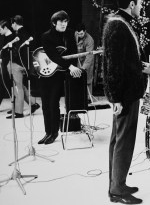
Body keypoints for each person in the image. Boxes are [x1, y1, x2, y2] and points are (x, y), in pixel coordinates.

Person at [102, 0, 146, 204]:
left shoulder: (120, 23)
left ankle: (116, 184)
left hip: (125, 92)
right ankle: (118, 189)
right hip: (125, 94)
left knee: (118, 139)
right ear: (131, 4)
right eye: (139, 2)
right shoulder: (118, 26)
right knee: (123, 141)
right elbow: (112, 65)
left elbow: (124, 60)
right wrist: (116, 98)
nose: (141, 6)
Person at [38, 10, 82, 145]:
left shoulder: (70, 34)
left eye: (66, 21)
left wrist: (72, 68)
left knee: (53, 103)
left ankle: (54, 132)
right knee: (45, 104)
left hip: (60, 73)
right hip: (46, 73)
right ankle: (48, 132)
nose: (64, 24)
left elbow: (73, 52)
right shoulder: (46, 36)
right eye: (61, 21)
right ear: (54, 23)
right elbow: (53, 55)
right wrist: (70, 66)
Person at [6, 15, 40, 119]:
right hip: (23, 64)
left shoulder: (20, 34)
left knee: (17, 88)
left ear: (15, 23)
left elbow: (18, 51)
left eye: (12, 24)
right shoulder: (25, 32)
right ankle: (33, 104)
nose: (11, 26)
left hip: (18, 64)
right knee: (21, 86)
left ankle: (18, 112)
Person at [75, 23, 95, 99]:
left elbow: (89, 56)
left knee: (88, 80)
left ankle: (88, 99)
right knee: (77, 78)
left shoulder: (90, 40)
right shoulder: (75, 34)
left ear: (85, 31)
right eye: (78, 33)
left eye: (81, 34)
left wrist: (83, 68)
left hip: (87, 61)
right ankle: (79, 98)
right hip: (78, 59)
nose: (80, 35)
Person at [0, 20, 14, 107]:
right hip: (4, 63)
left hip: (8, 64)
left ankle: (15, 106)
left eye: (0, 29)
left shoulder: (12, 37)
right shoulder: (4, 36)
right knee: (4, 84)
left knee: (7, 84)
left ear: (5, 28)